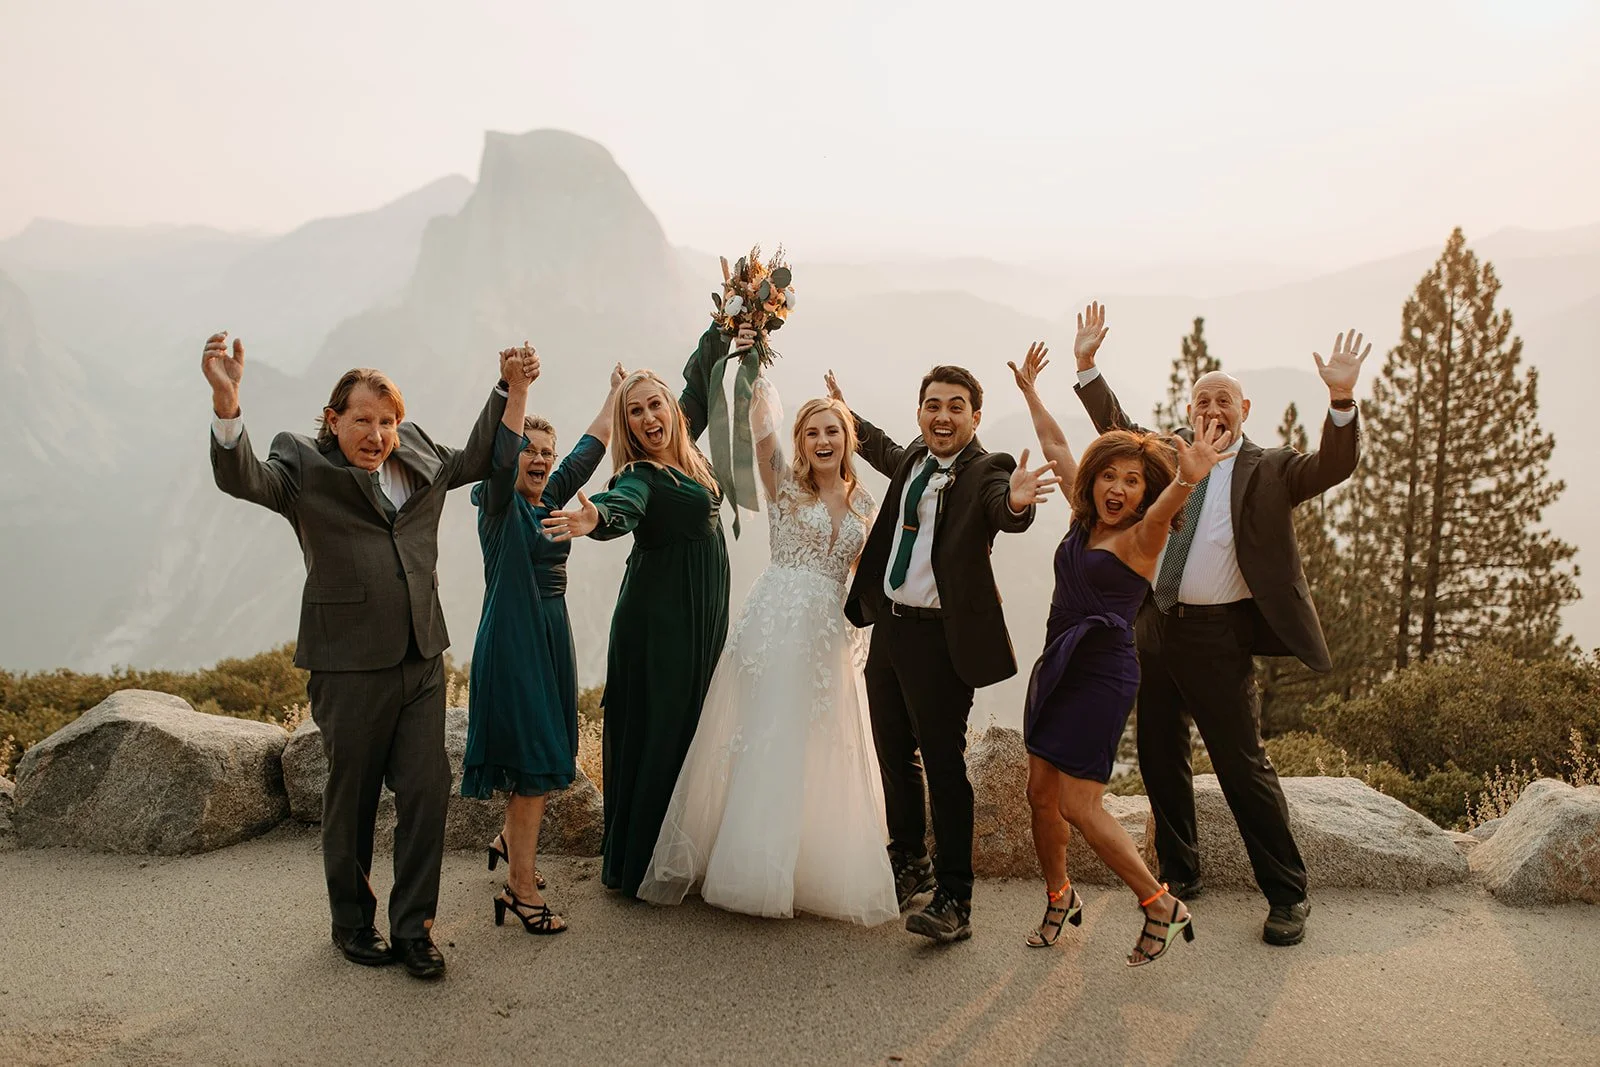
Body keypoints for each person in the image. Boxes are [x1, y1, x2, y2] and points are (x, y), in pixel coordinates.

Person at [204, 330, 525, 980]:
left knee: (428, 789)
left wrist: (509, 388)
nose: (376, 433)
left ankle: (415, 931)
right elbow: (244, 479)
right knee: (350, 799)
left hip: (421, 658)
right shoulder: (301, 464)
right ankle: (351, 922)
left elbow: (478, 459)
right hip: (347, 665)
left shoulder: (417, 451)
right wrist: (227, 405)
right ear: (333, 419)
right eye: (362, 420)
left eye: (386, 420)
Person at [1070, 301, 1367, 947]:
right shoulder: (1167, 455)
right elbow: (1116, 426)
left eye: (1224, 400)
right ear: (1191, 409)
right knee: (1159, 757)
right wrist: (1088, 366)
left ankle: (1287, 893)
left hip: (1220, 637)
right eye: (1203, 399)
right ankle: (1181, 874)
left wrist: (1341, 399)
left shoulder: (1273, 467)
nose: (1212, 410)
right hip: (1155, 628)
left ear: (1244, 410)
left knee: (1242, 766)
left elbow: (1334, 466)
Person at [637, 337, 898, 925]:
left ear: (847, 439)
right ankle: (751, 866)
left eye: (833, 431)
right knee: (768, 739)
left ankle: (811, 867)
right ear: (801, 442)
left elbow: (870, 577)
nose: (823, 441)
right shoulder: (783, 481)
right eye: (812, 433)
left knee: (820, 744)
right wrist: (751, 345)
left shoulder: (865, 503)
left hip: (828, 632)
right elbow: (758, 422)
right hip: (776, 625)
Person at [1008, 341, 1232, 965]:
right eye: (1110, 475)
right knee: (1039, 793)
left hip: (1103, 672)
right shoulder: (1084, 519)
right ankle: (1059, 897)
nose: (1118, 488)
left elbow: (1171, 503)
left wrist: (1191, 473)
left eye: (1132, 482)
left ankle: (1159, 902)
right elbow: (1056, 447)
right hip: (1058, 661)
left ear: (1143, 493)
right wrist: (1031, 393)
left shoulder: (1142, 535)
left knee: (1080, 803)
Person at [829, 364, 1059, 943]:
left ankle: (956, 898)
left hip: (941, 640)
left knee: (944, 766)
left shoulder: (988, 469)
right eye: (933, 405)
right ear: (920, 412)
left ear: (975, 417)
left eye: (956, 406)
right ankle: (909, 859)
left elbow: (1002, 507)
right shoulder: (913, 457)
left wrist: (1018, 504)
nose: (943, 416)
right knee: (893, 750)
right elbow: (881, 449)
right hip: (890, 629)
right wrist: (845, 412)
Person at [541, 369, 731, 899]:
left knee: (692, 726)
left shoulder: (686, 448)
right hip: (661, 624)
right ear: (627, 426)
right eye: (635, 412)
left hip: (700, 618)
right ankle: (638, 863)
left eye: (655, 406)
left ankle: (678, 848)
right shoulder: (642, 474)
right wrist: (594, 518)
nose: (649, 418)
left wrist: (738, 313)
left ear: (672, 408)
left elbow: (701, 377)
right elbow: (622, 505)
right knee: (663, 731)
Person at [463, 355, 626, 936]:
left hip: (551, 633)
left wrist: (613, 393)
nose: (539, 460)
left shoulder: (548, 496)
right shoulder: (500, 503)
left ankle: (512, 842)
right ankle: (520, 889)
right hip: (513, 639)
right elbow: (502, 450)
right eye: (529, 451)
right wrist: (519, 391)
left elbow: (591, 446)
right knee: (531, 764)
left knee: (545, 748)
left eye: (545, 454)